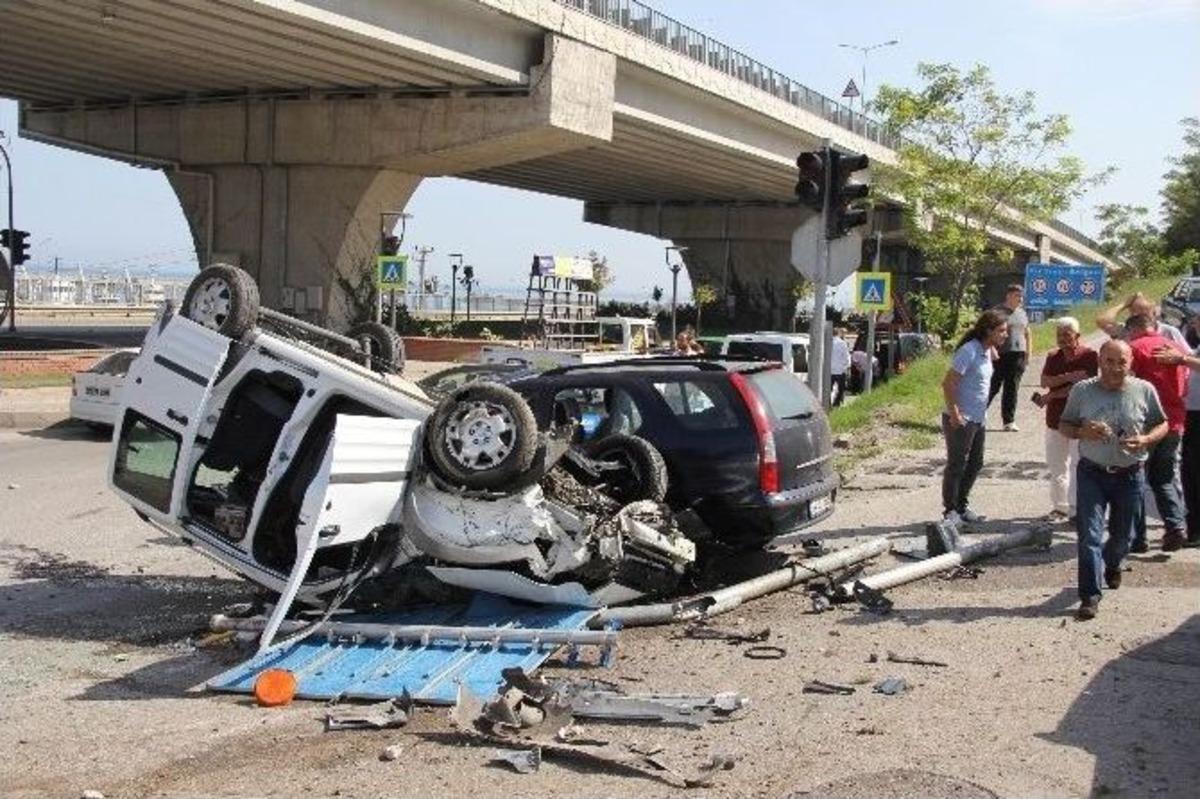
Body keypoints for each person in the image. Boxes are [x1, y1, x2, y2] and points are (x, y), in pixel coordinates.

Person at [1058, 339, 1168, 621]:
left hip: (1130, 475)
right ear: (1100, 361)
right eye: (1109, 361)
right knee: (1089, 536)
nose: (1116, 368)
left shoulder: (1144, 390)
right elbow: (1064, 424)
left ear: (1131, 363)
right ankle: (1090, 596)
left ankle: (1113, 562)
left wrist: (1145, 438)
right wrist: (1084, 431)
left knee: (1124, 536)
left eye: (1122, 362)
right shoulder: (1083, 391)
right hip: (1092, 473)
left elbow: (1162, 423)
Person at [1125, 314, 1189, 552]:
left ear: (1134, 329)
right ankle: (1175, 526)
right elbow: (1186, 381)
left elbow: (1125, 383)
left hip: (1145, 423)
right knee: (1163, 478)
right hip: (1174, 421)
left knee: (1135, 478)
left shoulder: (1135, 348)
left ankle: (1137, 538)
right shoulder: (1174, 347)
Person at [941, 309, 1009, 524]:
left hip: (978, 418)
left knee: (976, 462)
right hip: (961, 417)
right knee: (957, 464)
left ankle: (962, 506)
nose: (1005, 335)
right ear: (988, 331)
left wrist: (992, 349)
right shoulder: (968, 351)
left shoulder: (986, 350)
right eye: (1001, 331)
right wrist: (954, 413)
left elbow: (986, 370)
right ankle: (950, 511)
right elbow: (948, 383)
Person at [1038, 317, 1098, 521]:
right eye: (1059, 335)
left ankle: (1076, 508)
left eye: (1067, 334)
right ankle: (1060, 507)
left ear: (1077, 336)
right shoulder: (1053, 356)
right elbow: (1045, 381)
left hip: (1079, 421)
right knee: (1057, 466)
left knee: (1078, 464)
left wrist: (1053, 393)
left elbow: (1082, 387)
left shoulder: (1090, 356)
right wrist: (1069, 376)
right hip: (1055, 420)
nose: (1062, 339)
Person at [1150, 311, 1200, 548]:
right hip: (1190, 414)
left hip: (1198, 416)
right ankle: (1194, 530)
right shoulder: (1196, 347)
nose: (1195, 325)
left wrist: (1181, 359)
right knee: (1189, 474)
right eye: (1195, 321)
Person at [987, 284, 1032, 432]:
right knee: (992, 386)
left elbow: (1027, 333)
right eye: (1017, 296)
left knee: (1012, 388)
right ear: (1008, 296)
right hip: (1000, 354)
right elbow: (987, 333)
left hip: (1018, 354)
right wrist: (992, 350)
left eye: (1021, 296)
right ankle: (977, 413)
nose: (1020, 299)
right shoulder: (997, 312)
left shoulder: (1022, 313)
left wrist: (1028, 354)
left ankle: (1009, 421)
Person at [1096, 292, 1188, 346]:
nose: (1140, 320)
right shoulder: (1125, 331)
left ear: (1154, 313)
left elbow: (1187, 356)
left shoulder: (1169, 331)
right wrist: (1124, 304)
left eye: (1144, 314)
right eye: (1135, 314)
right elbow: (1102, 321)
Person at [829, 328, 851, 406]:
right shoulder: (842, 343)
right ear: (838, 334)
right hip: (840, 370)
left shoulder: (827, 343)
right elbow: (846, 357)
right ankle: (837, 403)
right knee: (840, 388)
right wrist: (847, 367)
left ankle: (828, 402)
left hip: (829, 371)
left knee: (829, 388)